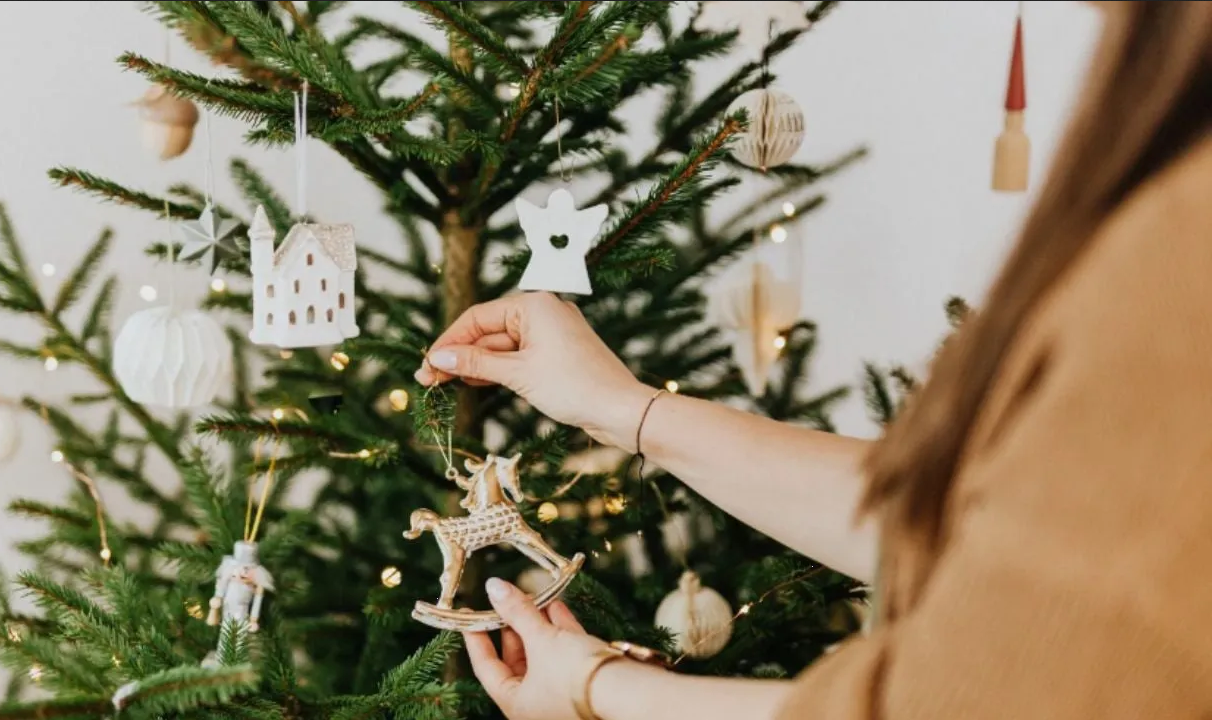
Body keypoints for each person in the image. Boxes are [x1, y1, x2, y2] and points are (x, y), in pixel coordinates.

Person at [413, 2, 1212, 718]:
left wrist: (597, 691)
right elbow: (965, 534)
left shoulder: (1181, 241)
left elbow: (967, 698)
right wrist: (620, 407)